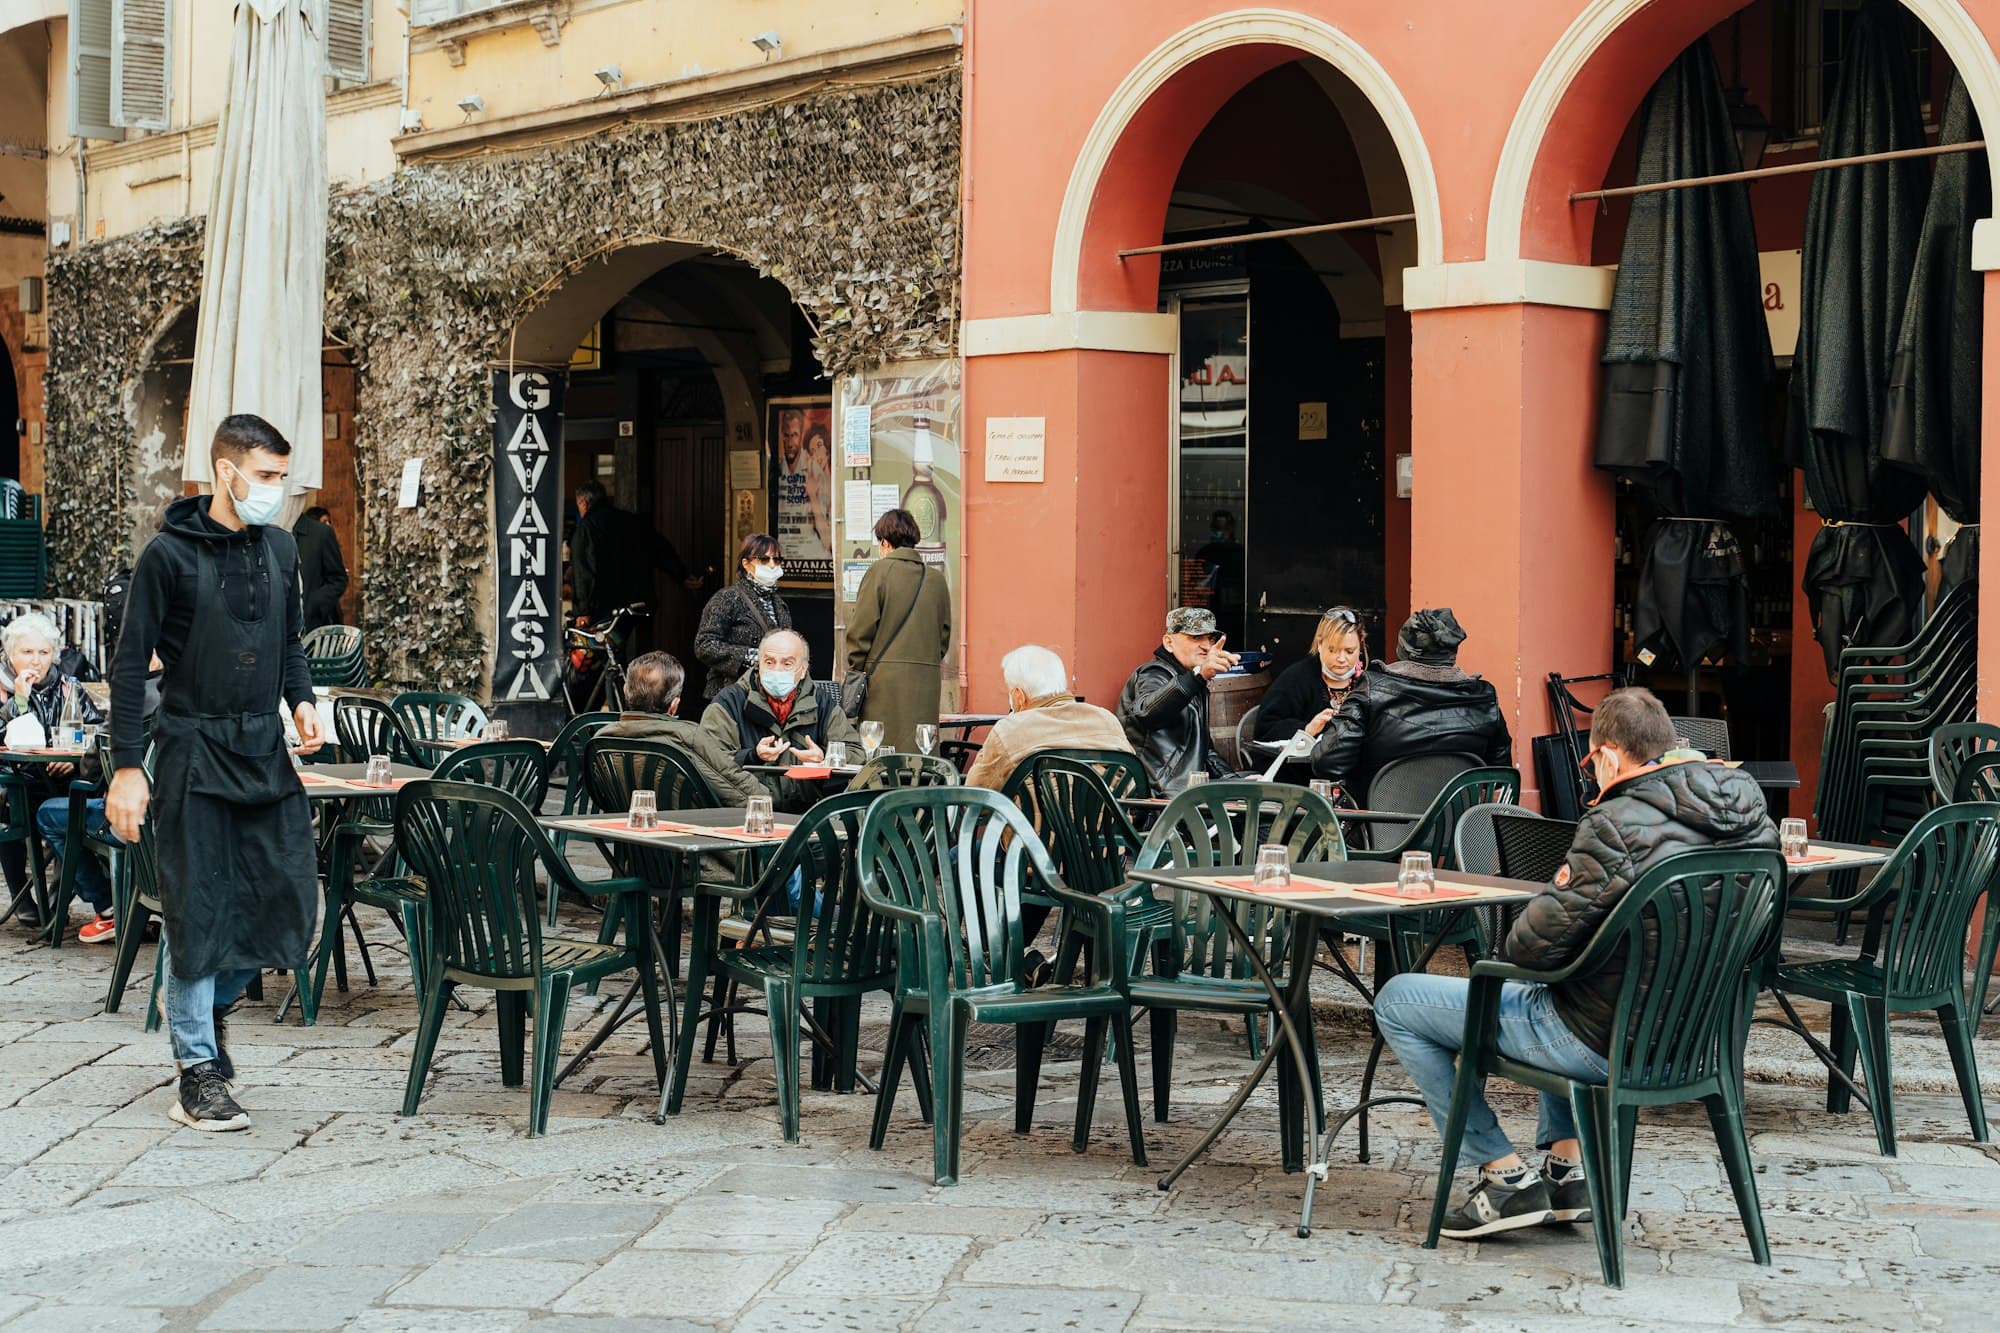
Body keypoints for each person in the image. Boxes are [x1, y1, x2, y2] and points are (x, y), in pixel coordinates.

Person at [1374, 688, 1777, 1240]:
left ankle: (1501, 1176)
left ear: (1609, 757)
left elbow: (1528, 950)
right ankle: (1566, 1175)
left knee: (1399, 999)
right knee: (1574, 980)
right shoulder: (1753, 815)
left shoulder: (1616, 823)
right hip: (1695, 1040)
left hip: (1600, 1042)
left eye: (1592, 763)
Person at [106, 413, 327, 1133]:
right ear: (226, 471)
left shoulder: (285, 550)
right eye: (265, 476)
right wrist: (128, 767)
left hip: (264, 749)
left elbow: (290, 640)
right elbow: (129, 668)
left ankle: (201, 1005)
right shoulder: (165, 556)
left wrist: (303, 703)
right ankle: (197, 1068)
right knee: (197, 907)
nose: (276, 490)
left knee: (291, 900)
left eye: (281, 478)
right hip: (192, 750)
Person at [1311, 607, 1511, 805]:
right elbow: (1501, 778)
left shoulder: (1372, 691)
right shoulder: (1485, 698)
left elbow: (1328, 762)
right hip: (1458, 832)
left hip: (1381, 830)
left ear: (1403, 648)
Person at [1, 612, 104, 934]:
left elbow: (96, 735)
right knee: (8, 813)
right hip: (18, 786)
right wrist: (20, 697)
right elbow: (8, 737)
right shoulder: (4, 691)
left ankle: (58, 903)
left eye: (44, 652)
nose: (36, 660)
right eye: (27, 652)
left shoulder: (69, 689)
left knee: (71, 808)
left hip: (65, 784)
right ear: (10, 655)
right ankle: (27, 903)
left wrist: (75, 762)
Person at [703, 629, 860, 812]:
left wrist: (825, 758)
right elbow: (708, 761)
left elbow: (855, 753)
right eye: (769, 662)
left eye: (787, 664)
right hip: (748, 814)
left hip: (807, 817)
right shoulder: (729, 702)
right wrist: (753, 756)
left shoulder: (822, 703)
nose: (777, 670)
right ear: (758, 665)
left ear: (803, 670)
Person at [845, 508, 951, 753]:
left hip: (883, 683)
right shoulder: (936, 580)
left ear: (884, 542)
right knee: (921, 753)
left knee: (880, 754)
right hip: (926, 683)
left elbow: (860, 631)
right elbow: (943, 637)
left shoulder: (879, 572)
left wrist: (857, 667)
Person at [599, 651, 767, 805]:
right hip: (685, 832)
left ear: (625, 690)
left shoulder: (601, 740)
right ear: (674, 705)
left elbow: (600, 797)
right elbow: (743, 792)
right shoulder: (687, 738)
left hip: (627, 832)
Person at [964, 645, 1132, 792]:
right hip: (1108, 829)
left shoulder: (1010, 731)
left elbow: (974, 797)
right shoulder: (1106, 720)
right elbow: (1131, 785)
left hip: (1031, 829)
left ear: (1019, 696)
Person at [1116, 606, 1240, 790]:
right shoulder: (1154, 673)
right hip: (1152, 800)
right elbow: (1147, 713)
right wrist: (1198, 676)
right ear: (1169, 643)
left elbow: (1205, 752)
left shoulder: (1191, 681)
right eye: (1196, 637)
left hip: (1187, 794)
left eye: (1210, 638)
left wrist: (1235, 782)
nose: (1207, 646)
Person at [569, 479, 701, 628]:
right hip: (639, 601)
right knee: (633, 647)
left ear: (583, 503)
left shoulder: (586, 529)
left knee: (602, 648)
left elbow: (584, 573)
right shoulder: (630, 520)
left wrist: (583, 611)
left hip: (606, 607)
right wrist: (681, 574)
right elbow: (659, 548)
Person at [693, 533, 794, 702]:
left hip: (768, 696)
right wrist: (750, 656)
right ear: (746, 564)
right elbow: (704, 645)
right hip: (731, 694)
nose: (772, 565)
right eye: (764, 559)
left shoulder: (779, 603)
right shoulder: (727, 598)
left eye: (776, 560)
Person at [1255, 606, 1369, 746]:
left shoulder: (1370, 682)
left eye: (1350, 651)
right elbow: (1265, 728)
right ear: (1320, 644)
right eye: (1333, 650)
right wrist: (1308, 729)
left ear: (1360, 647)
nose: (1341, 658)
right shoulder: (1296, 678)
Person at [291, 505, 349, 631]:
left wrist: (312, 604)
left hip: (312, 627)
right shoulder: (263, 532)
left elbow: (338, 580)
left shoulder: (320, 533)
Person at [1192, 509, 1245, 644]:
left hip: (1238, 613)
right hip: (1212, 611)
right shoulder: (1205, 553)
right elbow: (1195, 585)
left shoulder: (1241, 553)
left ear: (1231, 529)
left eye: (1224, 529)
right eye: (1216, 528)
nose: (1220, 532)